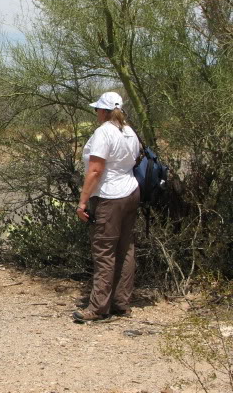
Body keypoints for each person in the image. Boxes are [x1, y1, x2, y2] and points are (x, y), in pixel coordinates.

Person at [74, 92, 141, 322]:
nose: (96, 114)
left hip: (109, 197)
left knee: (104, 251)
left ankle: (98, 308)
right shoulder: (129, 131)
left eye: (97, 110)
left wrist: (83, 201)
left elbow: (95, 170)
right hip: (131, 192)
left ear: (103, 111)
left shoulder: (104, 132)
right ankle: (121, 302)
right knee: (125, 247)